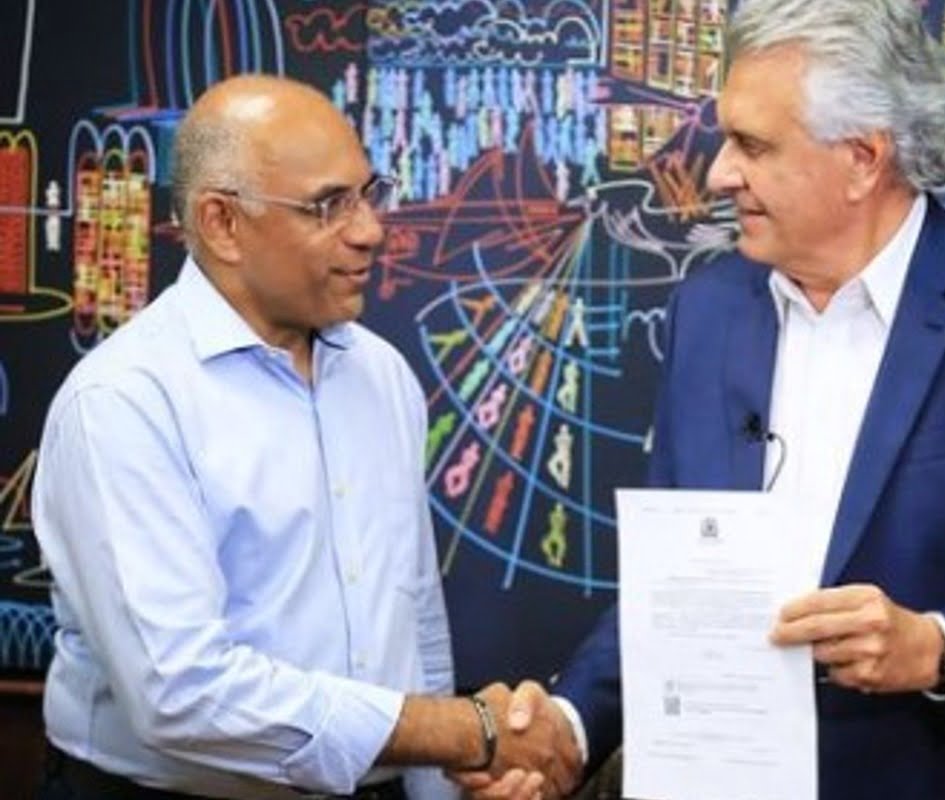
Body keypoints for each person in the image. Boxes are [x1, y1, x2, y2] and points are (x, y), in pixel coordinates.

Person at [456, 0, 945, 798]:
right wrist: (570, 726)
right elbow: (680, 587)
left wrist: (940, 648)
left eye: (753, 146)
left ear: (863, 158)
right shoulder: (708, 312)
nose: (719, 174)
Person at [32, 75, 576, 800]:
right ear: (223, 223)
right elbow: (179, 692)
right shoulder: (125, 403)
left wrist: (449, 778)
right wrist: (463, 730)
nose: (370, 230)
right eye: (329, 206)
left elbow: (411, 618)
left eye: (368, 194)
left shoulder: (381, 375)